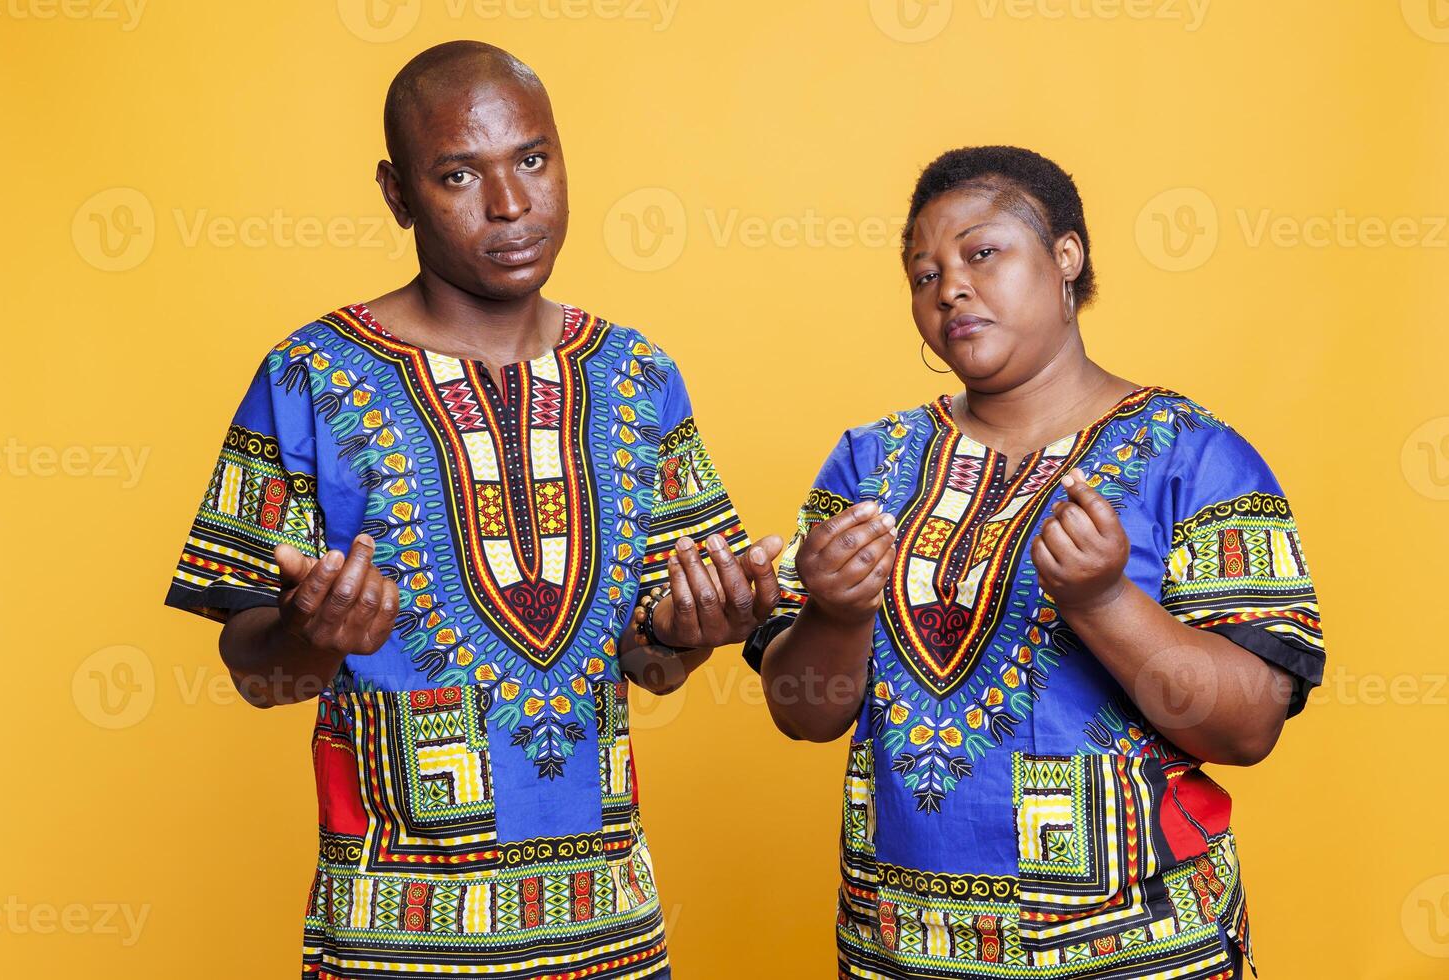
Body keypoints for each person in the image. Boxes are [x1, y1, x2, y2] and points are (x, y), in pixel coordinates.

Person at [164, 40, 781, 979]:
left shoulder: (639, 375)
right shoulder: (310, 376)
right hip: (392, 937)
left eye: (533, 159)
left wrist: (699, 633)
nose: (511, 205)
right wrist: (315, 636)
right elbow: (259, 676)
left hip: (610, 928)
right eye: (459, 174)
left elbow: (649, 668)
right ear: (398, 193)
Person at [744, 146, 1325, 979]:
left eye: (982, 253)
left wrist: (1101, 599)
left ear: (1065, 258)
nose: (949, 288)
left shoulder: (1194, 458)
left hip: (1135, 950)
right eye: (923, 273)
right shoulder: (868, 463)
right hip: (902, 949)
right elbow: (804, 714)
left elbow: (1249, 725)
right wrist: (835, 615)